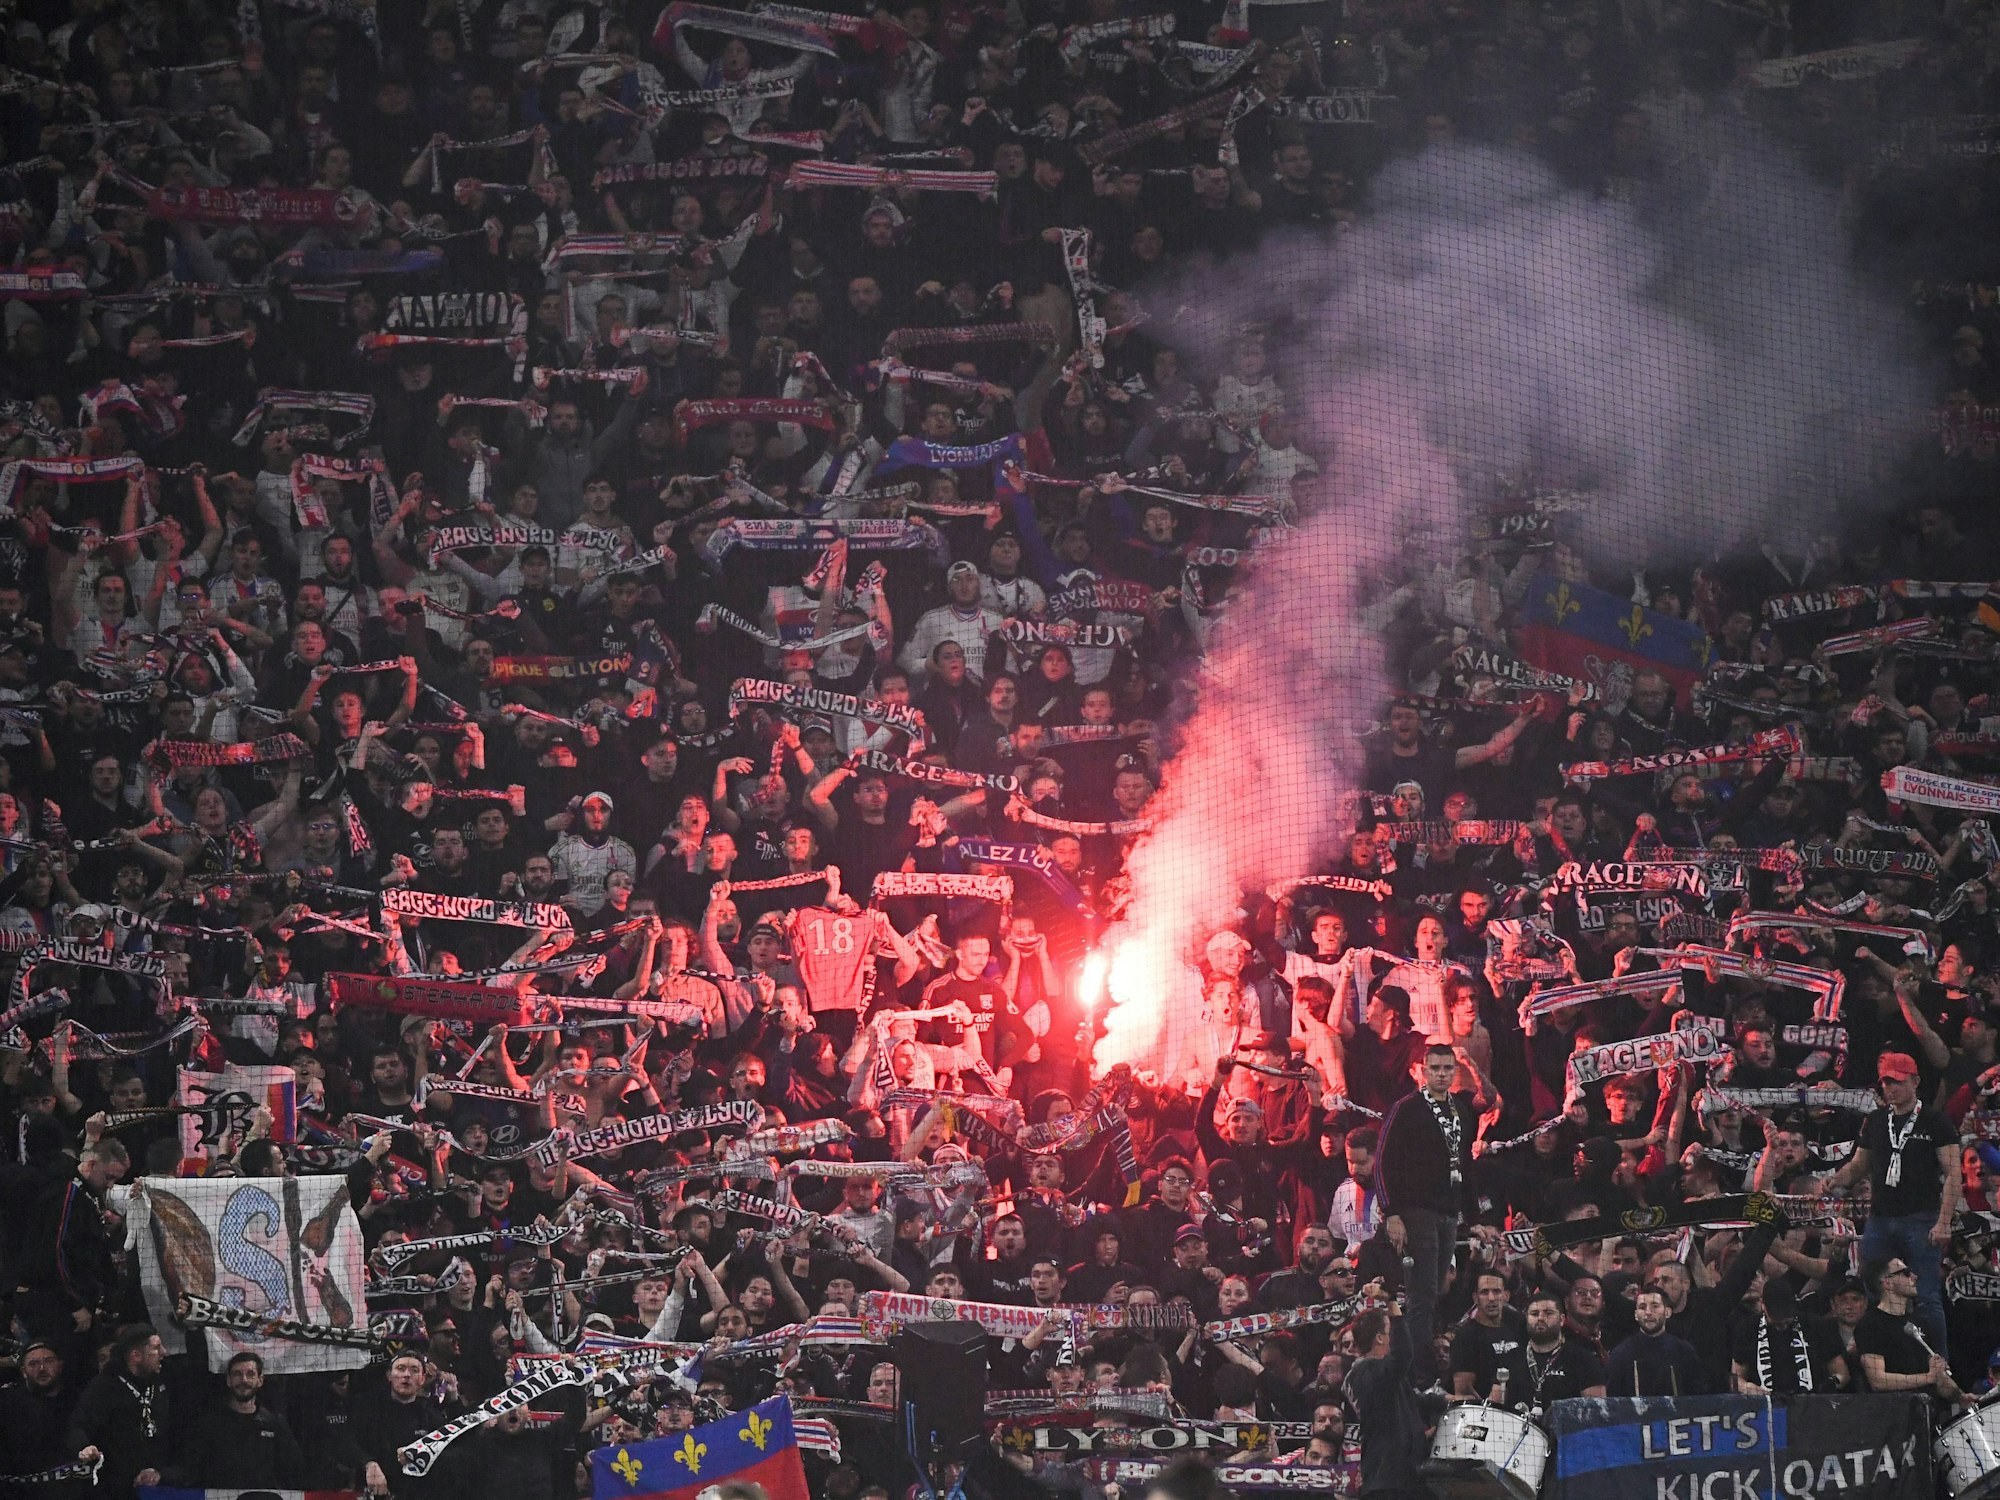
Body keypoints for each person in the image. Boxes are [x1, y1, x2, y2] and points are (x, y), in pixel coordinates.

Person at [1833, 1051, 1957, 1354]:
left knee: (1926, 1296)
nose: (1891, 1089)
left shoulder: (1935, 1121)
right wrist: (1835, 1180)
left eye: (1898, 1082)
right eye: (1886, 1082)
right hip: (1880, 1218)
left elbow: (1954, 1172)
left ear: (1915, 1081)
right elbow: (1859, 1164)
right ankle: (1879, 1363)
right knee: (1873, 1293)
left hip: (1921, 1218)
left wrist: (1943, 1222)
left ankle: (1940, 1367)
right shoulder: (1875, 1120)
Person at [1377, 1044, 1476, 1372]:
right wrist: (1392, 1212)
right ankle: (1418, 1371)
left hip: (1448, 1213)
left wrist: (1473, 1216)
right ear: (1423, 1070)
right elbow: (1384, 1162)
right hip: (1417, 1211)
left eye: (1448, 1068)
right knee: (1421, 1293)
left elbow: (1466, 1162)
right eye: (1435, 1068)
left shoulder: (1460, 1109)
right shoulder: (1406, 1108)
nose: (1442, 1074)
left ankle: (1424, 1357)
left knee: (1436, 1289)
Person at [68, 1325, 175, 1497]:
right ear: (136, 1355)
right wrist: (84, 1447)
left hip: (159, 1483)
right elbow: (78, 1426)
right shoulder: (104, 1386)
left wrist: (161, 1471)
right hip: (115, 1488)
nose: (164, 1352)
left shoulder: (164, 1378)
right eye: (156, 1348)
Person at [181, 1352, 307, 1487]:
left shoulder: (274, 1424)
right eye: (237, 1374)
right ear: (229, 1380)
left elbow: (295, 1469)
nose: (244, 1380)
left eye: (250, 1374)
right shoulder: (210, 1423)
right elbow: (189, 1468)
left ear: (260, 1380)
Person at [1346, 1296, 1426, 1500]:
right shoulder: (1366, 1371)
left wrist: (1447, 1400)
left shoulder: (1384, 1375)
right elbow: (1403, 1355)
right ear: (1380, 1338)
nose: (1396, 1335)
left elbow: (1413, 1400)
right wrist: (1392, 1304)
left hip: (1403, 1479)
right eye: (1392, 1330)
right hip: (1386, 1483)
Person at [1604, 1289, 1706, 1397]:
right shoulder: (1621, 1354)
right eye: (1642, 1307)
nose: (1648, 1312)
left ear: (1667, 1312)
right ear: (1636, 1315)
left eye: (1655, 1306)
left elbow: (1698, 1397)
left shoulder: (1685, 1351)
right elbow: (1612, 1402)